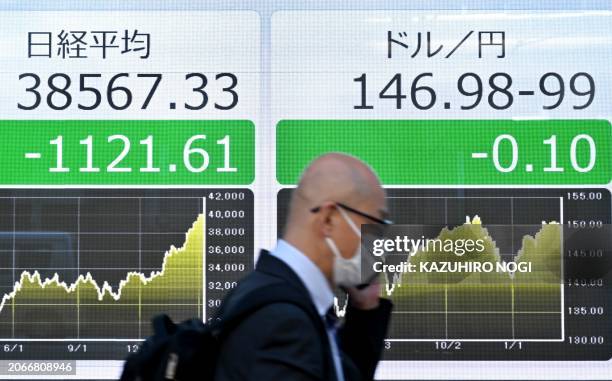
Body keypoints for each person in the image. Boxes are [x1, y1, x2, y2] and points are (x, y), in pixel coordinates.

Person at [214, 153, 393, 381]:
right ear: (328, 219)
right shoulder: (282, 323)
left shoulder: (278, 298)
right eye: (374, 225)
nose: (376, 241)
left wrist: (365, 308)